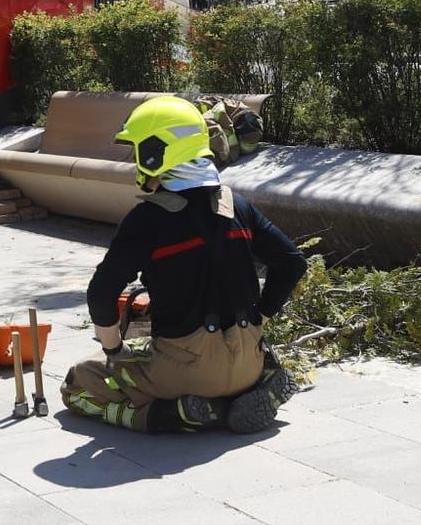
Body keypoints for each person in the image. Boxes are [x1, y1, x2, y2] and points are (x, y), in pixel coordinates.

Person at [62, 95, 307, 434]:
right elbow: (293, 262)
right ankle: (256, 385)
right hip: (247, 360)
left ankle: (166, 415)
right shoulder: (236, 205)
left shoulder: (146, 220)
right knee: (237, 354)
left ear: (155, 153)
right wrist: (261, 315)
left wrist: (113, 349)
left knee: (79, 383)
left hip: (184, 371)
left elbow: (101, 294)